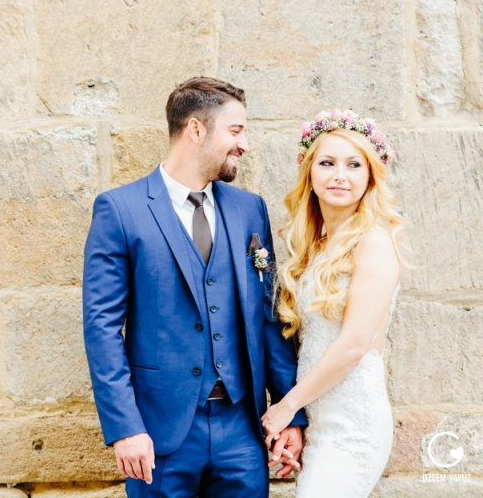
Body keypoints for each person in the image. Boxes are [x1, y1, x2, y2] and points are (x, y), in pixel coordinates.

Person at [82, 76, 307, 498]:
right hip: (160, 433)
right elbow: (102, 329)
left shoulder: (249, 210)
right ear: (196, 130)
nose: (244, 145)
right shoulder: (120, 210)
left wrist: (290, 413)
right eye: (236, 131)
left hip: (242, 429)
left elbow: (268, 316)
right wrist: (126, 428)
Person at [260, 110, 407, 497]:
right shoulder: (316, 248)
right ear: (310, 173)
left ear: (370, 176)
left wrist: (284, 408)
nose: (340, 175)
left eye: (353, 164)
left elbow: (355, 344)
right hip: (320, 423)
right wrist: (300, 423)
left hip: (353, 425)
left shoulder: (374, 242)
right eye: (327, 163)